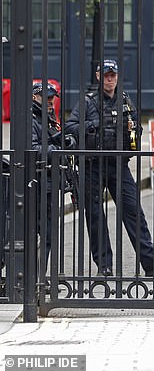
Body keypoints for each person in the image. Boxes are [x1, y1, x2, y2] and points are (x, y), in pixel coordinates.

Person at [66, 59, 154, 277]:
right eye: (106, 75)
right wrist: (95, 127)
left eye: (113, 75)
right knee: (96, 216)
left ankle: (150, 262)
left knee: (134, 212)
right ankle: (104, 265)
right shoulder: (88, 102)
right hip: (94, 165)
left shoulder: (124, 100)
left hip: (118, 164)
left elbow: (135, 126)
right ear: (98, 76)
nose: (110, 78)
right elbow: (70, 127)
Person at [31, 82, 75, 270]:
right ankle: (33, 278)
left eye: (52, 98)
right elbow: (32, 150)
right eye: (46, 98)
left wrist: (69, 141)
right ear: (35, 97)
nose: (50, 102)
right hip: (36, 182)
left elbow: (60, 138)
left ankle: (39, 278)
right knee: (39, 233)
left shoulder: (49, 117)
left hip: (50, 182)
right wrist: (56, 149)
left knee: (48, 233)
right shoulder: (31, 119)